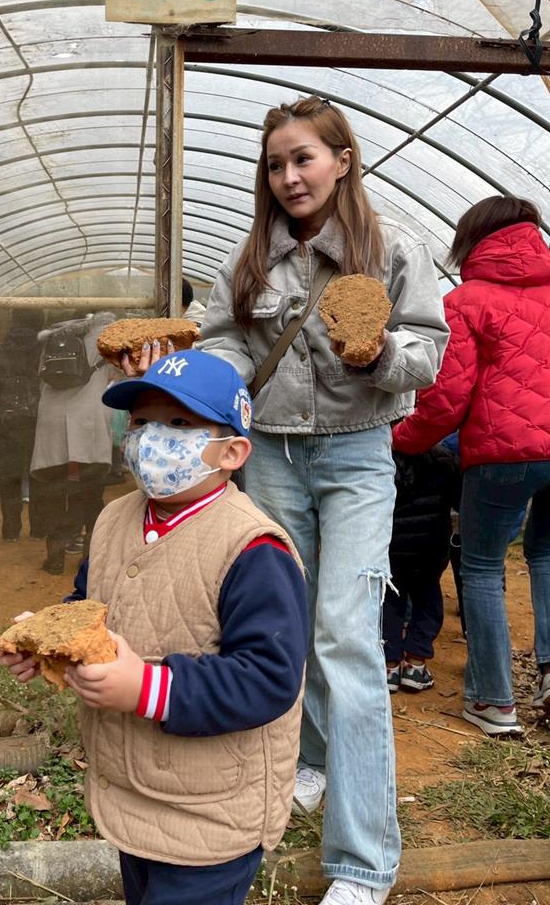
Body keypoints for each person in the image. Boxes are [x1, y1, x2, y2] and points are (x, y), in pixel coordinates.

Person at [180, 97, 449, 904]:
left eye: (302, 158)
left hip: (357, 455)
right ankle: (312, 759)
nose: (289, 176)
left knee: (346, 638)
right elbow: (224, 338)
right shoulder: (250, 257)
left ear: (341, 160)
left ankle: (362, 863)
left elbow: (428, 353)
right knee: (286, 627)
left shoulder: (392, 247)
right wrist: (200, 373)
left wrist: (377, 352)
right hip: (271, 455)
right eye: (275, 164)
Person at [0, 350, 309, 905]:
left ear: (233, 452)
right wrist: (46, 640)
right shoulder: (113, 519)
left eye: (180, 423)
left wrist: (147, 688)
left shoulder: (254, 549)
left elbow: (270, 678)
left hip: (212, 814)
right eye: (141, 421)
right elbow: (88, 606)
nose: (151, 438)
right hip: (130, 792)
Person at [392, 195, 550, 734]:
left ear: (473, 240)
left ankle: (493, 700)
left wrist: (403, 439)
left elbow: (445, 402)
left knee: (481, 567)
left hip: (503, 454)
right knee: (546, 553)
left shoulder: (466, 302)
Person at [30, 312, 117, 575]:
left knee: (56, 492)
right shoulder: (108, 336)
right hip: (89, 424)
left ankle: (55, 557)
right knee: (91, 491)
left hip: (53, 425)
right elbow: (121, 374)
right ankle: (89, 558)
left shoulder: (52, 337)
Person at [384, 441, 461, 693]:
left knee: (391, 603)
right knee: (428, 602)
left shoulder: (385, 455)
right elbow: (459, 499)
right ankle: (416, 664)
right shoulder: (445, 458)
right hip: (431, 548)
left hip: (393, 546)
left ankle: (390, 665)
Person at [0, 309, 43, 540]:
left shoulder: (1, 349)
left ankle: (10, 530)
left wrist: (8, 391)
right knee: (38, 474)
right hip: (38, 418)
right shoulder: (42, 347)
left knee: (9, 476)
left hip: (8, 418)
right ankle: (39, 528)